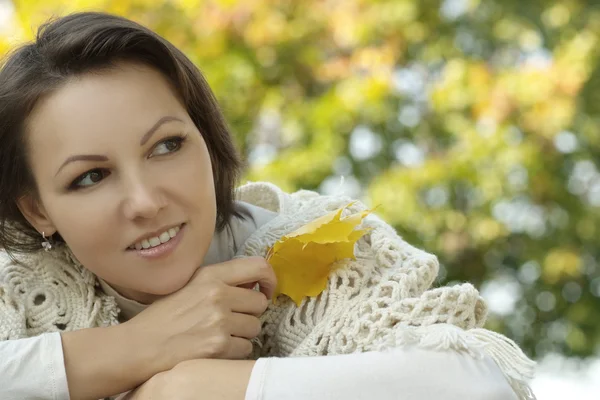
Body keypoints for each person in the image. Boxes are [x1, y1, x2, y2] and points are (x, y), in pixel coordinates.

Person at [0, 11, 536, 400]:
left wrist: (196, 389)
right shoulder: (17, 289)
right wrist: (139, 346)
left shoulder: (318, 242)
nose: (145, 202)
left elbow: (478, 383)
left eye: (166, 146)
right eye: (91, 176)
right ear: (37, 211)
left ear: (205, 140)